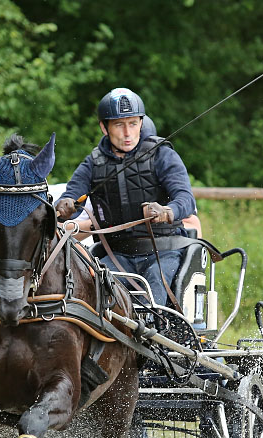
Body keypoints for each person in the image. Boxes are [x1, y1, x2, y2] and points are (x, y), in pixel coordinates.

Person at [56, 87, 197, 307]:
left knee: (154, 299)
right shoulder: (93, 163)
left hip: (164, 253)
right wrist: (64, 205)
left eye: (133, 123)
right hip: (116, 256)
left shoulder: (162, 154)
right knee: (90, 297)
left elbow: (186, 199)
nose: (127, 133)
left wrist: (167, 211)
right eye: (119, 125)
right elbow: (71, 196)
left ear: (141, 123)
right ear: (104, 127)